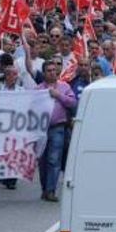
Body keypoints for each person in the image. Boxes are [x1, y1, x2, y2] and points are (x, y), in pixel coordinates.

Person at [37, 61, 77, 202]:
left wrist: (58, 95)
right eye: (49, 70)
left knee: (54, 159)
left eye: (54, 70)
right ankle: (44, 188)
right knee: (42, 161)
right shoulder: (39, 90)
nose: (52, 72)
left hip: (57, 128)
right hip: (42, 129)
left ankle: (51, 190)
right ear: (44, 73)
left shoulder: (64, 87)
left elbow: (73, 103)